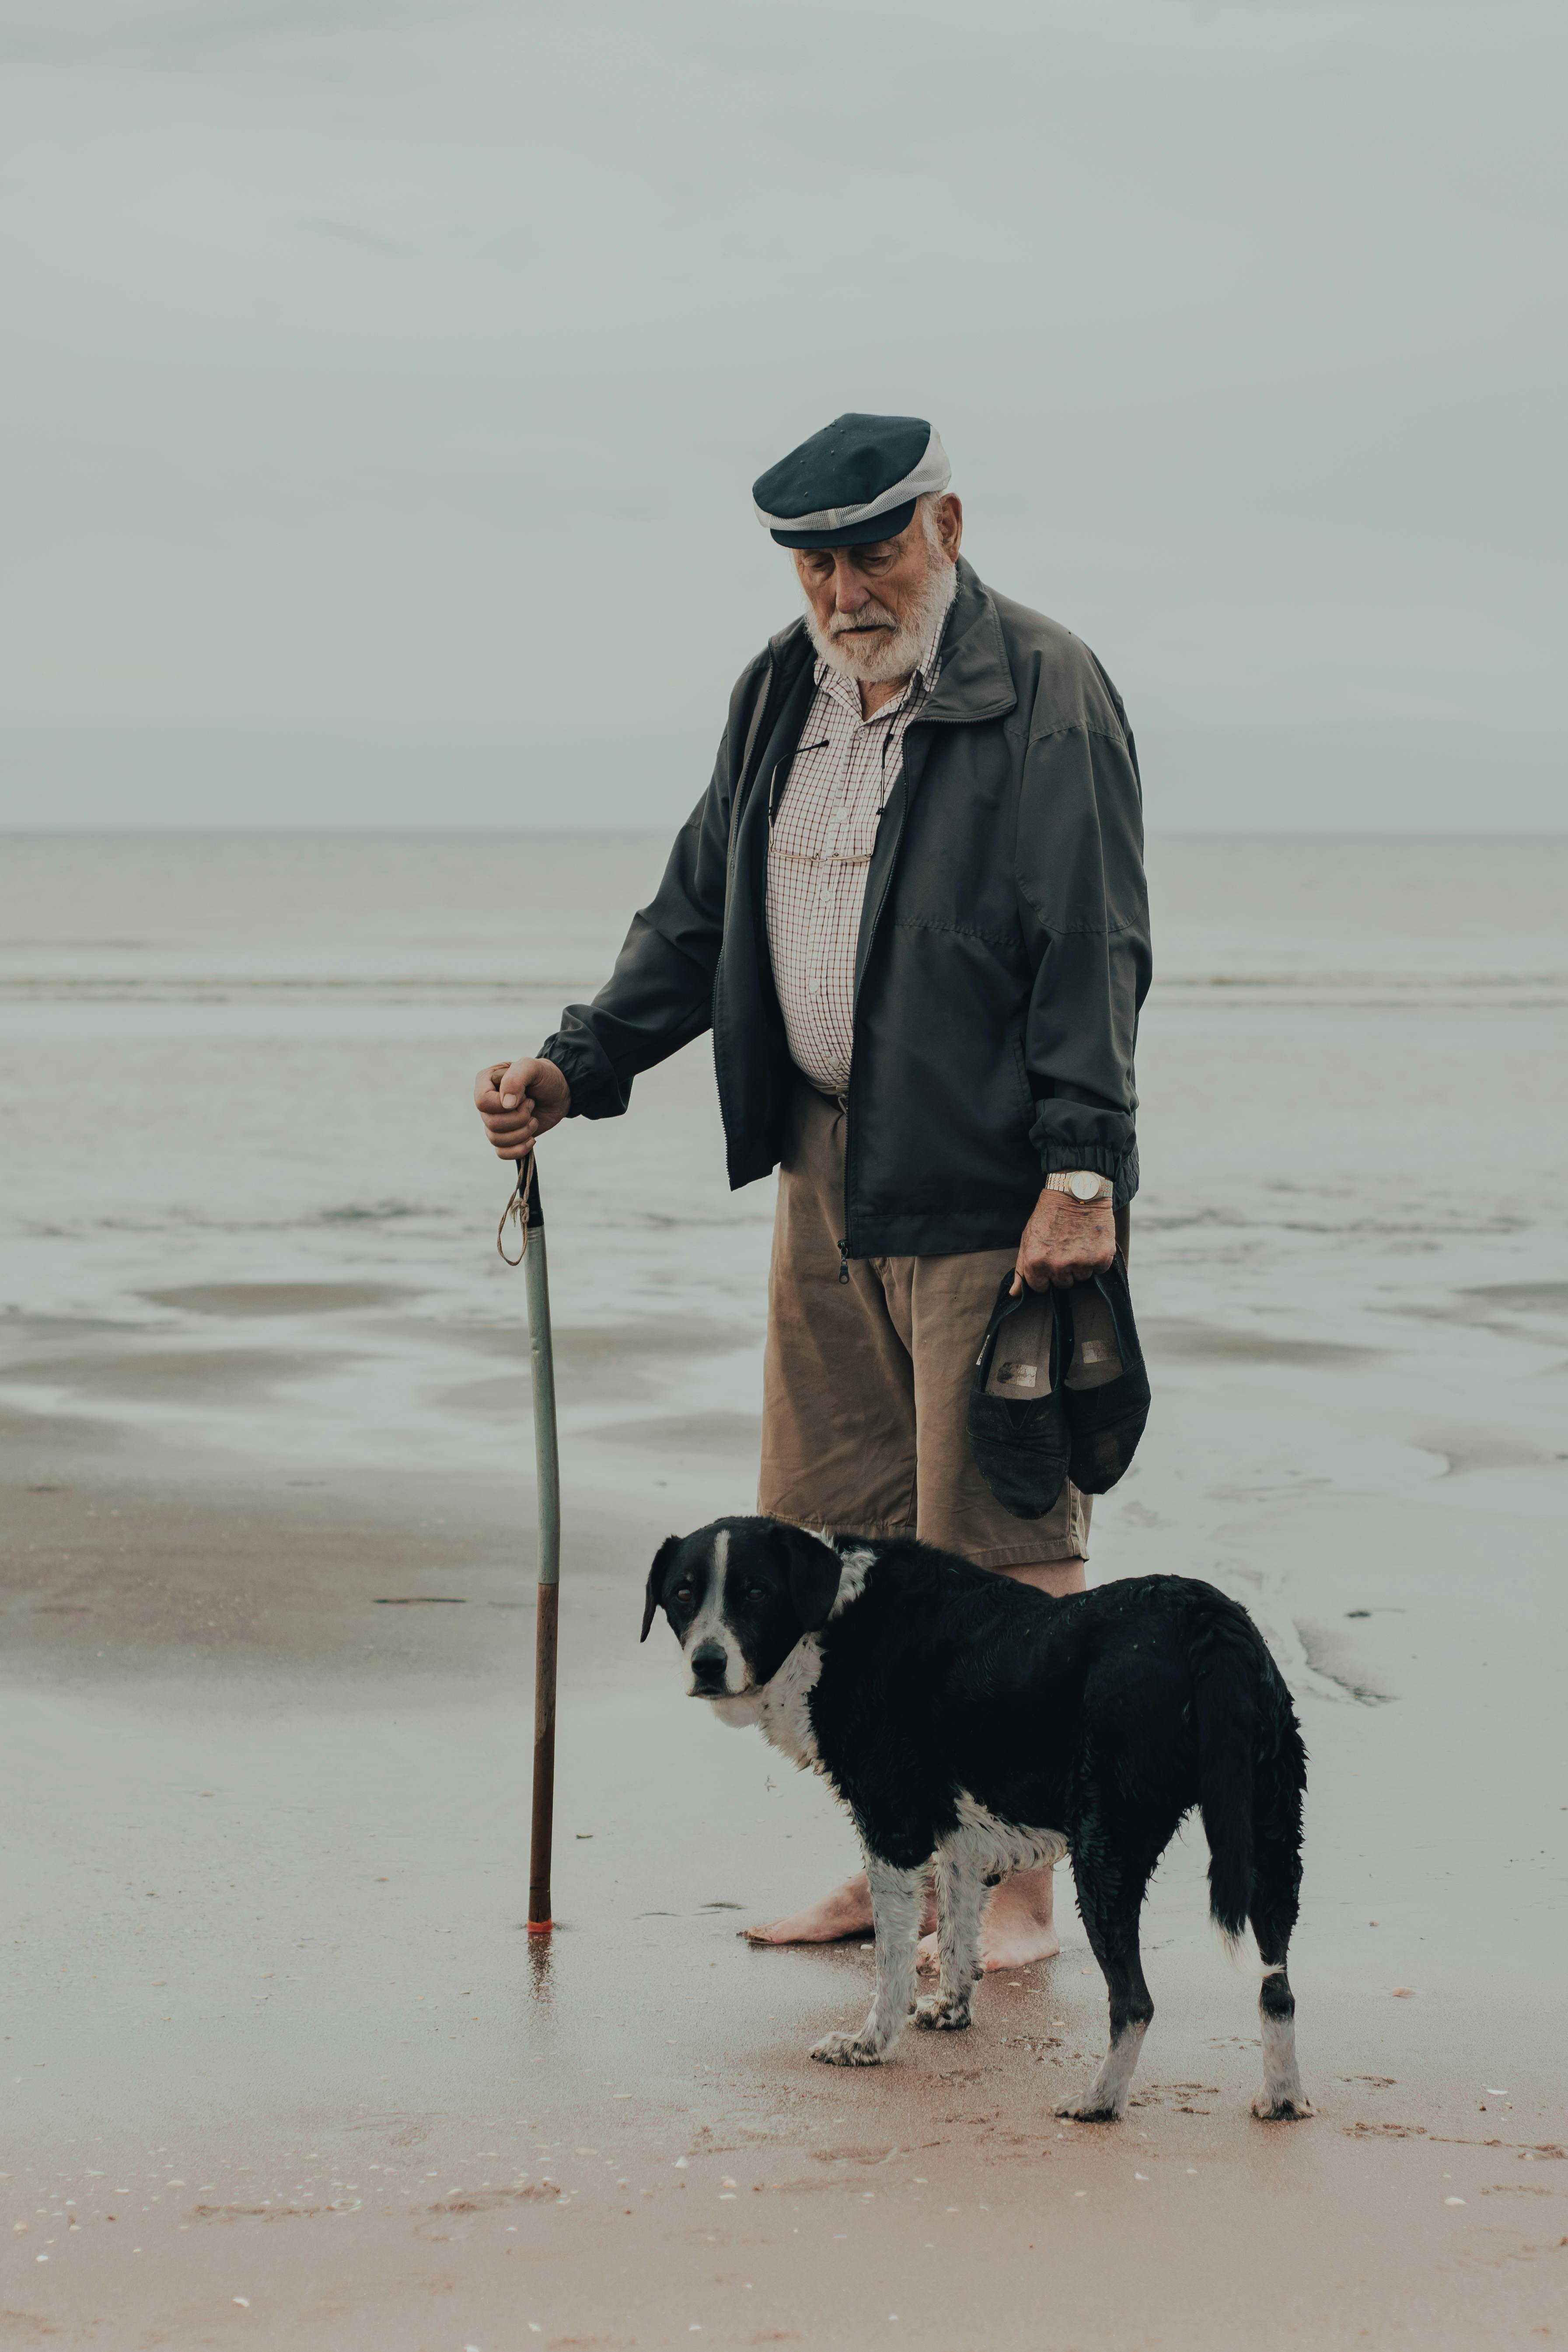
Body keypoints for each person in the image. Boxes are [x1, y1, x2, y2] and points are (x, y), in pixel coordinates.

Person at [475, 413, 1151, 1970]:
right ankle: (893, 1857)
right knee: (834, 1534)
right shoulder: (780, 690)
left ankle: (1024, 1890)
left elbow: (1092, 942)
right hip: (823, 1162)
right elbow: (700, 906)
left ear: (948, 527)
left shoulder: (1043, 686)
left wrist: (1083, 1167)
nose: (847, 586)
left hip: (994, 1176)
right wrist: (575, 1067)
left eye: (875, 548)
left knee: (999, 1534)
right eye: (817, 558)